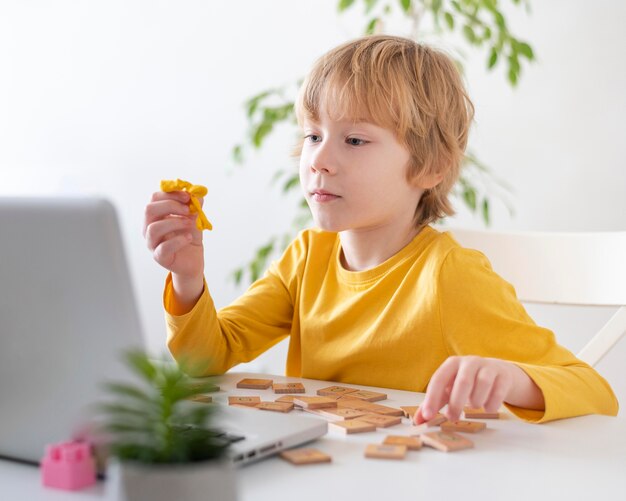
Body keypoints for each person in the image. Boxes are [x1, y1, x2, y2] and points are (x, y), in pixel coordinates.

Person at [143, 35, 618, 423]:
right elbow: (203, 360)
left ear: (430, 167)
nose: (319, 161)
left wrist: (512, 378)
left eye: (354, 139)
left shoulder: (450, 277)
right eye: (312, 135)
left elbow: (594, 391)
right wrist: (188, 278)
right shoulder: (309, 256)